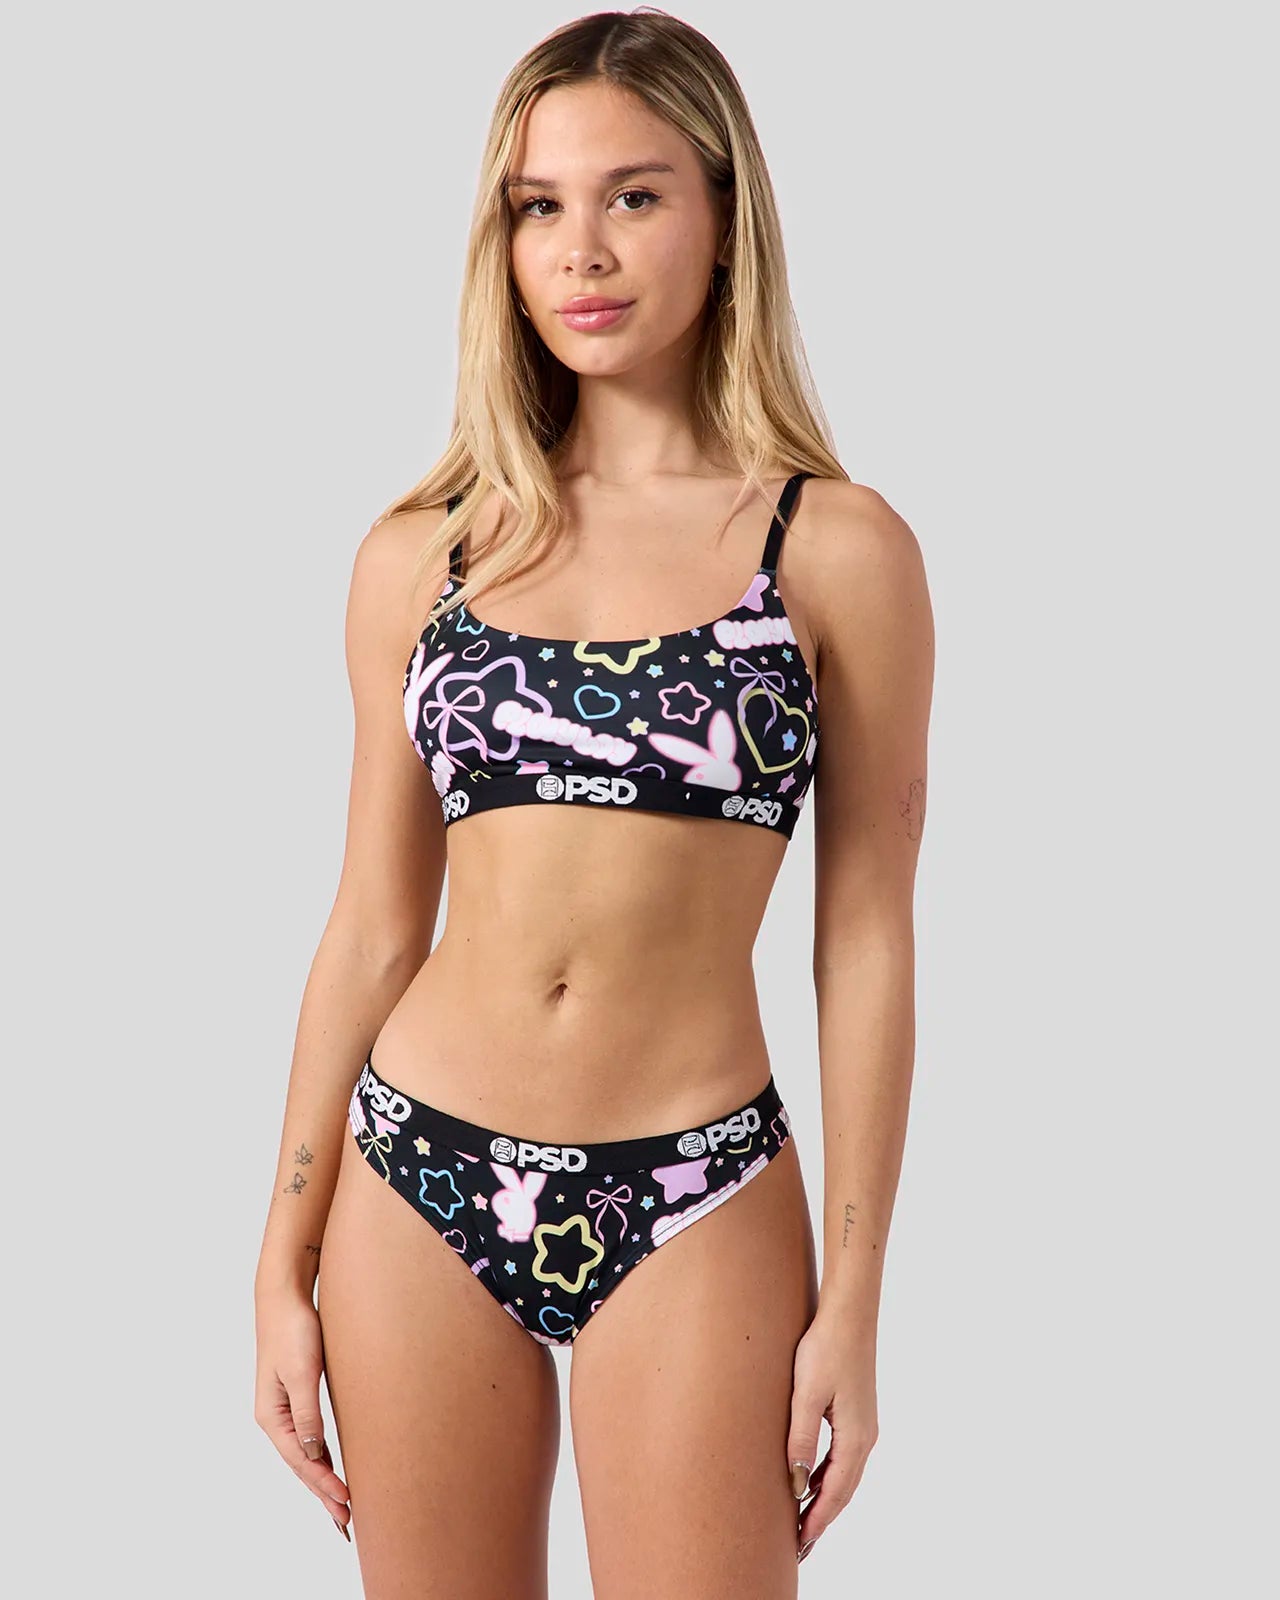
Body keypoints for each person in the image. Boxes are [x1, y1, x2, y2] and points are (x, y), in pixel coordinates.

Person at [253, 9, 934, 1595]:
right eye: (538, 207)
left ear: (725, 216)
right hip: (415, 1175)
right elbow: (371, 927)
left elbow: (866, 941)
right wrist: (280, 1253)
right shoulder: (424, 554)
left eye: (634, 195)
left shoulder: (835, 552)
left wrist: (857, 1302)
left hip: (694, 1185)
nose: (583, 250)